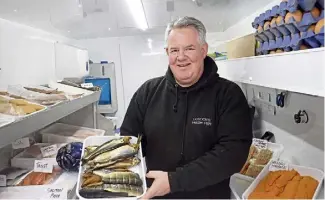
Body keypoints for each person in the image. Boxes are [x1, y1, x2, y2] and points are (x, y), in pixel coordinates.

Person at [121, 16, 252, 199]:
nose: (181, 57)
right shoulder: (148, 92)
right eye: (174, 50)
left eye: (189, 48)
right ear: (167, 52)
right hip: (155, 196)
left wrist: (174, 181)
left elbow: (232, 154)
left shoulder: (228, 94)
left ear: (203, 50)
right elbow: (128, 142)